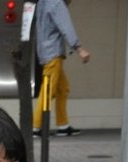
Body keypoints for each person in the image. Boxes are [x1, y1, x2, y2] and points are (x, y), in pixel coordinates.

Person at [32, 0, 91, 137]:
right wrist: (79, 49)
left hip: (45, 52)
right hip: (53, 54)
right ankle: (35, 126)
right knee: (48, 91)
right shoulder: (56, 3)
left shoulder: (42, 2)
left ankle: (63, 125)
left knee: (62, 88)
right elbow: (66, 26)